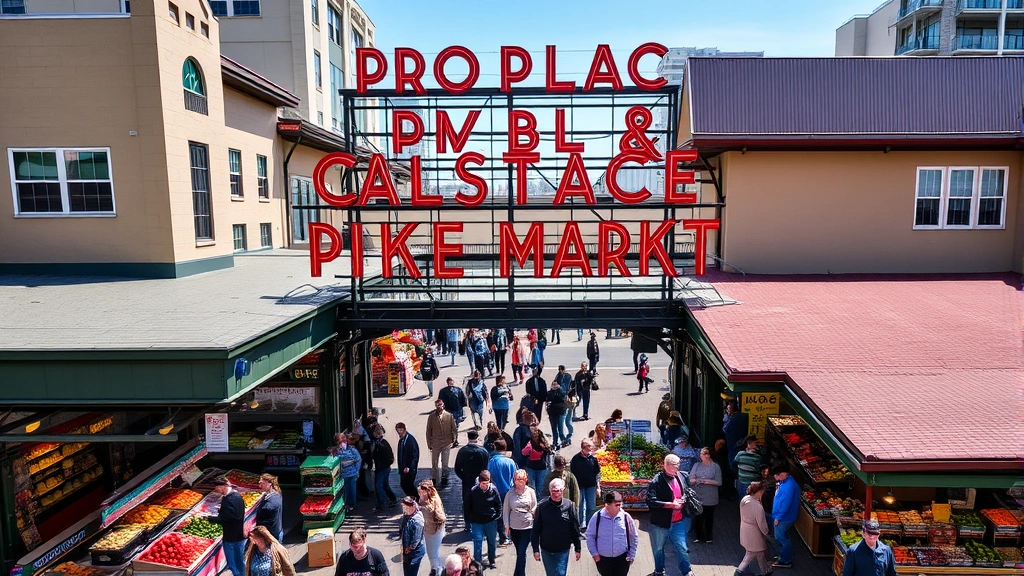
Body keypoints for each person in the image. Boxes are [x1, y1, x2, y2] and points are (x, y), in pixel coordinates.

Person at [645, 454, 695, 576]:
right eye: (675, 465)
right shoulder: (656, 481)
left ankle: (686, 571)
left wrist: (683, 500)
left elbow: (686, 492)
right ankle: (659, 571)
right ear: (666, 465)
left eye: (678, 464)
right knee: (658, 548)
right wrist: (670, 505)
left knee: (682, 548)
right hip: (662, 523)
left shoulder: (682, 476)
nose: (677, 467)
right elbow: (650, 501)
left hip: (678, 521)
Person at [531, 478, 582, 576]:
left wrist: (578, 548)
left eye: (559, 490)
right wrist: (535, 550)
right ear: (550, 491)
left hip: (563, 549)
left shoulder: (570, 506)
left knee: (560, 573)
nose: (557, 493)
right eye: (554, 491)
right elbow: (536, 530)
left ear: (563, 490)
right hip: (547, 549)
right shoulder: (542, 507)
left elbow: (574, 528)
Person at [585, 492, 638, 576]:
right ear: (607, 505)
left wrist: (631, 555)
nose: (620, 507)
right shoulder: (597, 517)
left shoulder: (626, 517)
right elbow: (590, 536)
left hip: (622, 558)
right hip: (603, 559)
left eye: (620, 504)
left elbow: (633, 536)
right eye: (617, 505)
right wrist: (595, 554)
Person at [208, 478, 246, 576]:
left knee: (232, 563)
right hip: (239, 534)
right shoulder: (237, 496)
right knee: (240, 561)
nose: (216, 490)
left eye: (217, 487)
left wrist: (211, 518)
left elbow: (227, 518)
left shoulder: (228, 500)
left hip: (230, 537)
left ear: (223, 487)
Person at [503, 469, 537, 576]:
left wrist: (531, 515)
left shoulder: (531, 491)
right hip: (514, 527)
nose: (520, 481)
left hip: (527, 527)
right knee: (519, 553)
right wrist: (506, 525)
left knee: (522, 552)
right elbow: (506, 510)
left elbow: (535, 505)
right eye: (518, 479)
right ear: (514, 480)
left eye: (522, 479)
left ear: (526, 479)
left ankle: (521, 574)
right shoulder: (510, 493)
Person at [465, 470, 501, 568]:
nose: (485, 486)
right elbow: (468, 506)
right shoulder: (473, 491)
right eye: (483, 483)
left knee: (492, 542)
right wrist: (469, 519)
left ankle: (492, 560)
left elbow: (498, 505)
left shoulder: (494, 490)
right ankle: (478, 563)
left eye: (487, 483)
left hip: (490, 521)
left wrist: (496, 517)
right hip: (477, 521)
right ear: (479, 482)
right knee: (477, 542)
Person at [454, 430, 490, 529]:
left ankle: (468, 524)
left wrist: (464, 477)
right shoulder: (483, 451)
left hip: (467, 481)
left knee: (467, 502)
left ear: (468, 437)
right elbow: (487, 468)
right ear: (477, 437)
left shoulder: (462, 451)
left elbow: (457, 468)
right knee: (480, 502)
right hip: (481, 481)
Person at [486, 438, 517, 546]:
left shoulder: (492, 461)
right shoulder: (511, 462)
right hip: (509, 491)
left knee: (499, 515)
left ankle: (503, 537)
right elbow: (514, 477)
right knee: (509, 515)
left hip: (496, 492)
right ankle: (510, 536)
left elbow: (490, 477)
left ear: (495, 448)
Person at [736, 482, 771, 576]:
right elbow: (762, 523)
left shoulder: (744, 499)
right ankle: (738, 572)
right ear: (759, 491)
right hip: (754, 533)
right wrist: (767, 533)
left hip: (744, 529)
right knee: (750, 554)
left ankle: (765, 571)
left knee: (759, 554)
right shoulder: (757, 506)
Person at [689, 447, 723, 544]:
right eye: (700, 454)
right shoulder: (696, 465)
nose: (701, 456)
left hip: (710, 496)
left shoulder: (715, 467)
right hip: (698, 495)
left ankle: (709, 537)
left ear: (708, 455)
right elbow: (691, 478)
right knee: (698, 517)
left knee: (709, 517)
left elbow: (719, 482)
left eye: (703, 454)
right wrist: (695, 480)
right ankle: (698, 536)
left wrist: (704, 481)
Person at [771, 463, 800, 570]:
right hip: (785, 516)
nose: (776, 477)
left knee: (781, 538)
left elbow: (786, 504)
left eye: (777, 475)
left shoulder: (789, 486)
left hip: (784, 518)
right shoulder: (786, 482)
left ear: (783, 473)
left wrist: (778, 517)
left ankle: (785, 560)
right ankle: (782, 556)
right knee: (784, 537)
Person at [426, 399, 458, 488]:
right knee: (434, 462)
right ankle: (435, 478)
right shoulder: (431, 417)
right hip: (436, 442)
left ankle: (445, 477)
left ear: (443, 405)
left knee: (445, 462)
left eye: (440, 405)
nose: (439, 407)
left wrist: (453, 440)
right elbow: (428, 431)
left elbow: (454, 429)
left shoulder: (449, 416)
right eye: (437, 406)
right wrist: (429, 443)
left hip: (446, 442)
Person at [571, 438, 602, 529]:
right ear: (585, 448)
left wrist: (598, 487)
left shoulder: (593, 459)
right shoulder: (576, 459)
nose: (592, 449)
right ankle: (580, 526)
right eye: (590, 447)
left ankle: (589, 525)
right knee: (579, 506)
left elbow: (597, 474)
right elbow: (572, 474)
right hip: (579, 487)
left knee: (591, 507)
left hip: (591, 486)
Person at [418, 480, 447, 576]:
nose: (420, 494)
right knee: (434, 553)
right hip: (434, 530)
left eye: (422, 492)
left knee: (432, 554)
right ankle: (438, 568)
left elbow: (427, 512)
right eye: (420, 492)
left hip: (432, 532)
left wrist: (419, 507)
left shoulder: (429, 505)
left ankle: (436, 570)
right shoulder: (434, 498)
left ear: (428, 491)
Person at [370, 425, 398, 512]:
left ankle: (380, 504)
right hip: (384, 467)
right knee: (385, 485)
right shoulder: (381, 443)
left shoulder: (381, 445)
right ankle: (393, 499)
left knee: (378, 485)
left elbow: (387, 457)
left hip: (382, 468)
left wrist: (380, 465)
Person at [333, 433, 362, 513]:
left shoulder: (352, 449)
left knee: (351, 490)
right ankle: (345, 505)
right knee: (344, 491)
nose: (342, 444)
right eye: (339, 442)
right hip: (342, 475)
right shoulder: (336, 450)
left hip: (351, 474)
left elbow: (358, 460)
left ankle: (351, 505)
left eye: (343, 441)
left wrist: (356, 471)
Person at [400, 497, 427, 576]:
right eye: (403, 507)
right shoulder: (407, 514)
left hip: (415, 552)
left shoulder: (417, 521)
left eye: (406, 508)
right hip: (407, 549)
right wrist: (402, 545)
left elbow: (416, 539)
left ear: (413, 507)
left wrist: (407, 549)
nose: (404, 510)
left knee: (411, 572)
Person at [522, 427, 553, 492]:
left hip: (531, 467)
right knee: (540, 486)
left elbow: (523, 452)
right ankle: (538, 500)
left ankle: (533, 499)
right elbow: (549, 454)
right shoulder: (544, 445)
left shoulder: (530, 445)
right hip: (542, 467)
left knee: (532, 486)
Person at [256, 473, 284, 542]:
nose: (260, 486)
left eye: (262, 483)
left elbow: (264, 512)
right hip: (275, 531)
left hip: (273, 534)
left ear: (269, 483)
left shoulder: (272, 502)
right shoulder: (273, 494)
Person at [734, 435, 763, 501]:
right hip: (743, 482)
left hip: (753, 482)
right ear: (749, 443)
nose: (756, 445)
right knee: (744, 501)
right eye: (755, 443)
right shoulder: (740, 454)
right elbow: (734, 464)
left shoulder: (758, 456)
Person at [396, 422, 421, 498]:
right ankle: (412, 498)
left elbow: (414, 455)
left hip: (409, 468)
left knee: (408, 484)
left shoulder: (410, 440)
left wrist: (410, 467)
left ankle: (416, 497)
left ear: (404, 430)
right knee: (404, 484)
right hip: (403, 468)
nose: (399, 432)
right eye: (398, 430)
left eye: (401, 430)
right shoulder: (401, 440)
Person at [545, 379, 568, 449]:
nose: (554, 386)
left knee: (560, 427)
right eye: (553, 384)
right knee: (554, 428)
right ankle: (555, 442)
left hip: (560, 411)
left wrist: (559, 389)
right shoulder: (549, 393)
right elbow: (548, 399)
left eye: (556, 384)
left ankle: (563, 440)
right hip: (552, 412)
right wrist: (553, 392)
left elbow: (562, 397)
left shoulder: (561, 391)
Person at [553, 365, 574, 440]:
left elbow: (566, 389)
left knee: (566, 421)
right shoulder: (558, 376)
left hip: (567, 402)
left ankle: (570, 433)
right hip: (563, 403)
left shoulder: (567, 377)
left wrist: (560, 388)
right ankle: (566, 435)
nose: (559, 371)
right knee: (563, 421)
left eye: (560, 370)